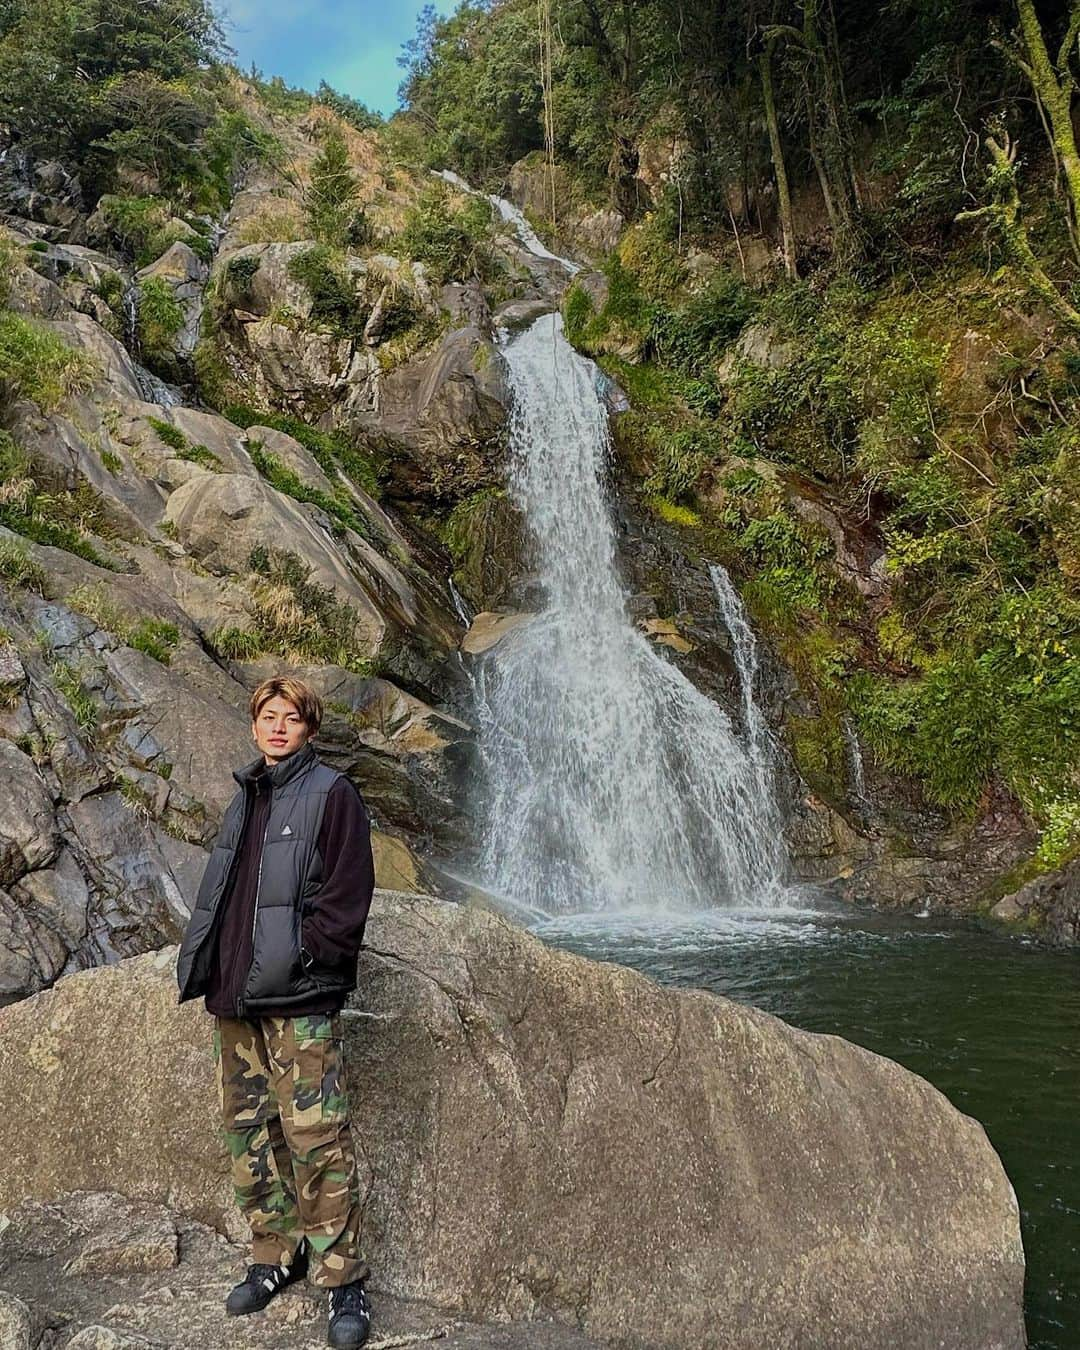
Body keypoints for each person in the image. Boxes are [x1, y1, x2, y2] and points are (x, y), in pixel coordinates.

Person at [176, 676, 376, 1350]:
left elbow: (347, 897)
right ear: (255, 725)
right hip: (236, 998)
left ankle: (344, 1280)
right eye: (268, 716)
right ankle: (274, 1255)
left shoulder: (332, 795)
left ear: (310, 729)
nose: (279, 727)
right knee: (250, 1135)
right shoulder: (245, 797)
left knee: (317, 1137)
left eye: (292, 718)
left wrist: (307, 958)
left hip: (299, 998)